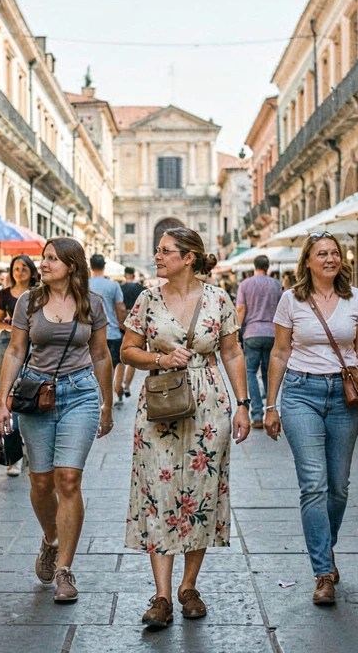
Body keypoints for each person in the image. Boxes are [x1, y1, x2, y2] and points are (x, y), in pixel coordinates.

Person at [119, 227, 250, 629]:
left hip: (209, 405)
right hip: (160, 403)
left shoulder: (218, 299)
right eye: (157, 250)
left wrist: (243, 405)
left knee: (200, 493)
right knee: (158, 494)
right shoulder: (146, 299)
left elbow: (232, 352)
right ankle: (161, 595)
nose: (157, 256)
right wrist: (159, 359)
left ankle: (188, 587)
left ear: (189, 257)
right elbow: (127, 350)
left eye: (165, 251)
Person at [263, 232, 358, 605]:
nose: (330, 259)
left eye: (335, 253)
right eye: (322, 254)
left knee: (338, 487)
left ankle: (324, 547)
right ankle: (322, 572)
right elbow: (280, 352)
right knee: (314, 484)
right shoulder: (291, 300)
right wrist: (270, 405)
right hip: (301, 394)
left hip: (346, 397)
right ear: (308, 262)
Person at [0, 238, 115, 604]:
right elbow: (16, 350)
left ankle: (64, 569)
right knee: (42, 482)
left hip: (79, 393)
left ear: (71, 266)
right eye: (43, 258)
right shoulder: (29, 302)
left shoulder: (92, 304)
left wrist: (106, 403)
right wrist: (2, 401)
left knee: (69, 480)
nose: (42, 264)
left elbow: (101, 355)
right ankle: (51, 538)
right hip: (37, 397)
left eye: (50, 259)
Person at [0, 254, 38, 477]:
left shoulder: (39, 294)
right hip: (7, 345)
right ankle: (15, 457)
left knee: (29, 399)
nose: (19, 272)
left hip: (35, 347)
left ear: (32, 272)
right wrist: (11, 325)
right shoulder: (4, 294)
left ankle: (31, 450)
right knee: (9, 401)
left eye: (23, 268)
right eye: (16, 268)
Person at [236, 254, 282, 429]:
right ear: (268, 267)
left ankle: (256, 414)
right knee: (268, 373)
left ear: (253, 266)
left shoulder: (245, 284)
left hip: (252, 333)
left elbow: (240, 309)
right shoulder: (276, 284)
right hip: (272, 332)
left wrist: (237, 332)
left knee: (250, 372)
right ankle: (271, 409)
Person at [88, 254, 127, 404]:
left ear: (91, 266)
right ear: (104, 266)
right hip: (112, 332)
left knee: (93, 365)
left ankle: (96, 396)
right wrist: (122, 326)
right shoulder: (113, 285)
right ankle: (112, 391)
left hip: (91, 334)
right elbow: (120, 309)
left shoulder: (85, 285)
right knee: (113, 364)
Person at [116, 267, 146, 402]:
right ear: (133, 274)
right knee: (134, 358)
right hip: (137, 325)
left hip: (121, 325)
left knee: (121, 358)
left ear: (125, 275)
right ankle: (127, 385)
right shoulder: (140, 289)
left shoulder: (120, 288)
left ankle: (118, 386)